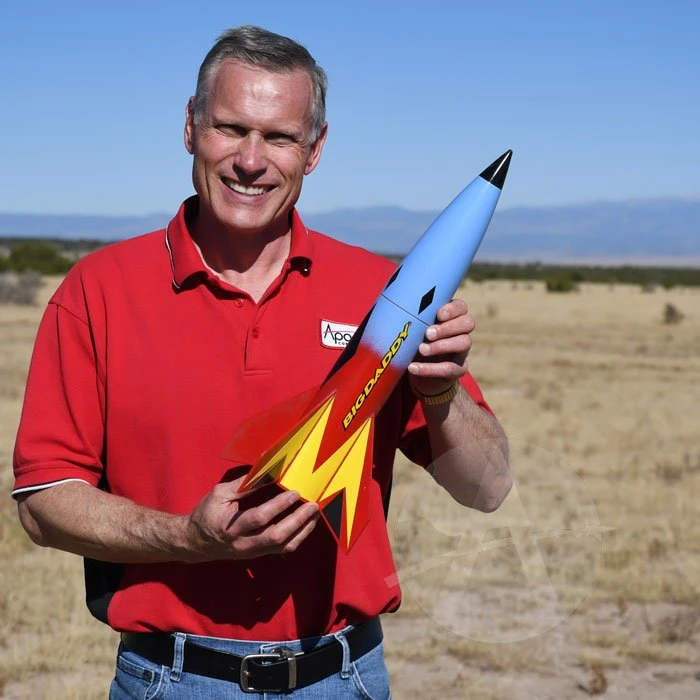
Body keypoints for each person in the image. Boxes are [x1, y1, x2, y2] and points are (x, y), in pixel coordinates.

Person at [12, 25, 511, 698]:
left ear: (315, 149)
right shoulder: (97, 292)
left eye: (279, 137)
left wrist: (441, 393)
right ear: (190, 127)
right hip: (170, 679)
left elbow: (487, 489)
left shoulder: (377, 292)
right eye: (230, 128)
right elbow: (43, 504)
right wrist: (187, 538)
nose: (251, 160)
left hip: (344, 677)